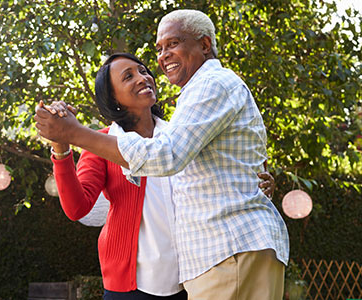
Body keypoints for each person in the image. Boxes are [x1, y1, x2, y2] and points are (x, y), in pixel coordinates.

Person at [35, 9, 289, 300]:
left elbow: (208, 156)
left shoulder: (178, 131)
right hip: (135, 283)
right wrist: (62, 145)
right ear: (113, 97)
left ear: (204, 45)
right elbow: (77, 207)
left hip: (189, 275)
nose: (143, 76)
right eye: (128, 76)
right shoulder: (103, 143)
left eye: (143, 70)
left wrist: (257, 180)